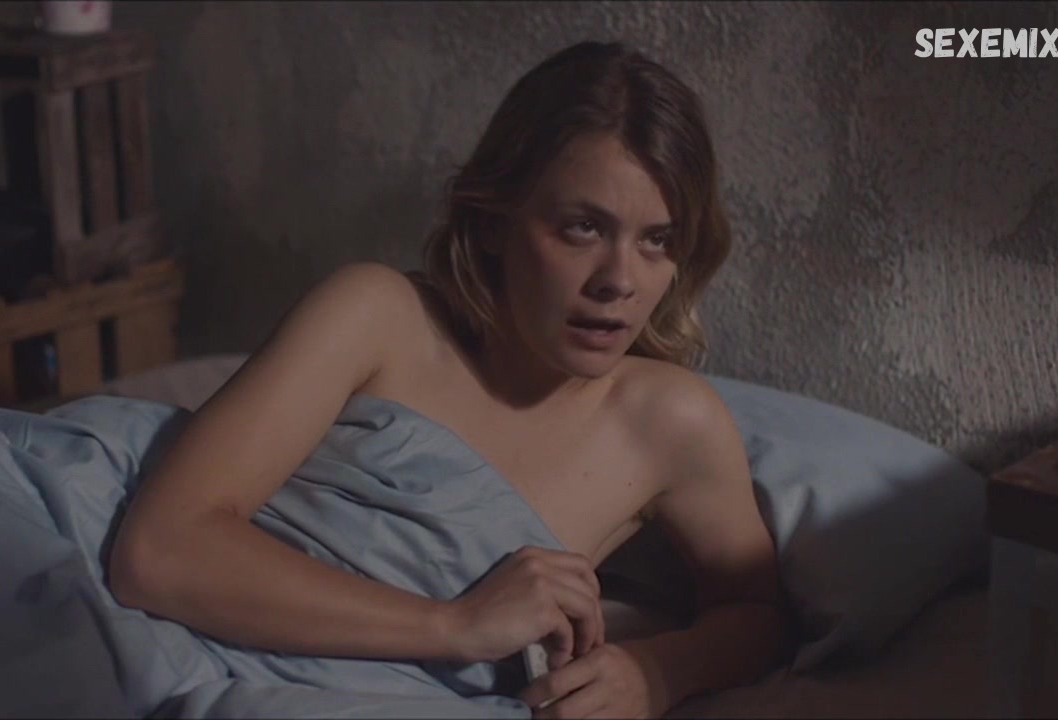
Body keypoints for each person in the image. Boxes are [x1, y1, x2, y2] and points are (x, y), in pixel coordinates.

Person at [108, 40, 786, 719]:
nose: (619, 281)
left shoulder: (670, 423)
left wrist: (657, 672)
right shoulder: (376, 316)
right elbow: (160, 550)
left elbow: (762, 615)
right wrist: (453, 625)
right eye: (583, 228)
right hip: (159, 638)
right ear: (493, 222)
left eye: (657, 241)